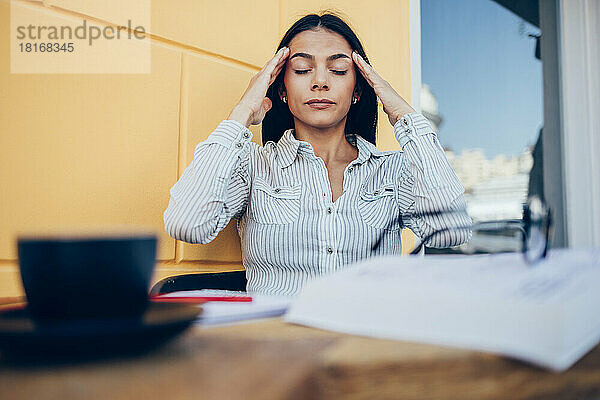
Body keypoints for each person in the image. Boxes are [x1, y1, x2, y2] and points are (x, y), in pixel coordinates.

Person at [164, 13, 472, 296]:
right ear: (281, 88)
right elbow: (188, 223)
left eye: (338, 70)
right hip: (279, 346)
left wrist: (404, 114)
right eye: (301, 69)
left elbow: (451, 230)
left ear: (358, 90)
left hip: (366, 346)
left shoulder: (392, 171)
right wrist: (242, 112)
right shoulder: (254, 165)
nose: (320, 82)